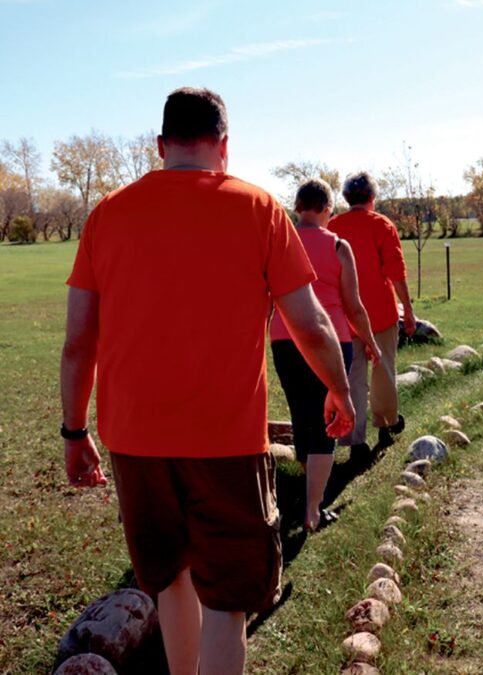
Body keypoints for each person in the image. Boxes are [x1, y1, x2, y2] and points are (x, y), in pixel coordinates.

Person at [60, 87, 354, 675]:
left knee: (170, 582)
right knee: (228, 602)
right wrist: (340, 389)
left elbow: (78, 342)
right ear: (224, 145)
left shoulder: (108, 214)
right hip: (225, 440)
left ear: (161, 144)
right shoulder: (258, 208)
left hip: (135, 440)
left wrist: (73, 430)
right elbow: (312, 323)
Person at [270, 178, 381, 531]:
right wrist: (371, 341)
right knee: (329, 422)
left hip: (284, 340)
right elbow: (354, 306)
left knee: (302, 414)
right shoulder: (337, 246)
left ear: (298, 207)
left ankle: (307, 492)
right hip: (331, 341)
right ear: (327, 209)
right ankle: (314, 509)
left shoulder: (279, 243)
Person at [329, 172, 414, 454]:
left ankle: (354, 441)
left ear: (346, 197)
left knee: (352, 377)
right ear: (372, 198)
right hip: (380, 313)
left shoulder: (333, 226)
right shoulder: (382, 225)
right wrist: (409, 311)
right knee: (384, 370)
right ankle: (386, 424)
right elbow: (396, 273)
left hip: (346, 317)